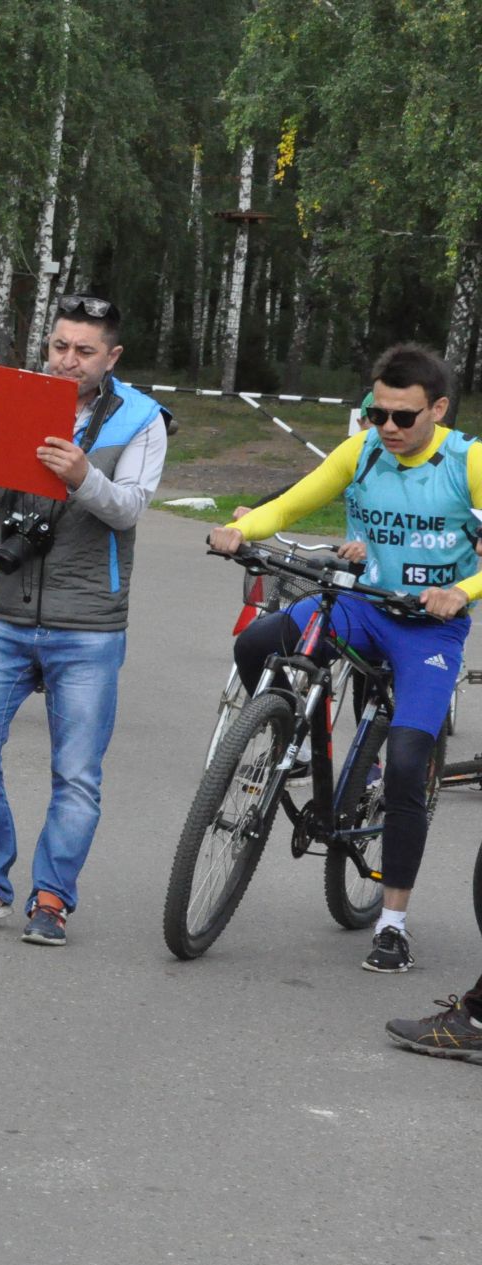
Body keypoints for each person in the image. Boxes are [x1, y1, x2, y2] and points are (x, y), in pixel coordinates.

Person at [208, 343, 474, 972]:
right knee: (255, 642)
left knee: (408, 764)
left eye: (403, 417)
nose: (387, 428)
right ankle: (288, 742)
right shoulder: (362, 451)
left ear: (437, 410)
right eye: (376, 413)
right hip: (359, 605)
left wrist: (460, 590)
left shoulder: (470, 463)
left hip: (427, 631)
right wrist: (242, 531)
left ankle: (392, 921)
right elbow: (295, 502)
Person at [0, 294, 170, 945]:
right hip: (2, 612)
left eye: (84, 351)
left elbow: (130, 508)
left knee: (77, 772)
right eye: (60, 346)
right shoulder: (18, 399)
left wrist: (83, 474)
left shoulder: (142, 419)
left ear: (111, 356)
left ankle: (52, 897)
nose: (68, 360)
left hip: (87, 622)